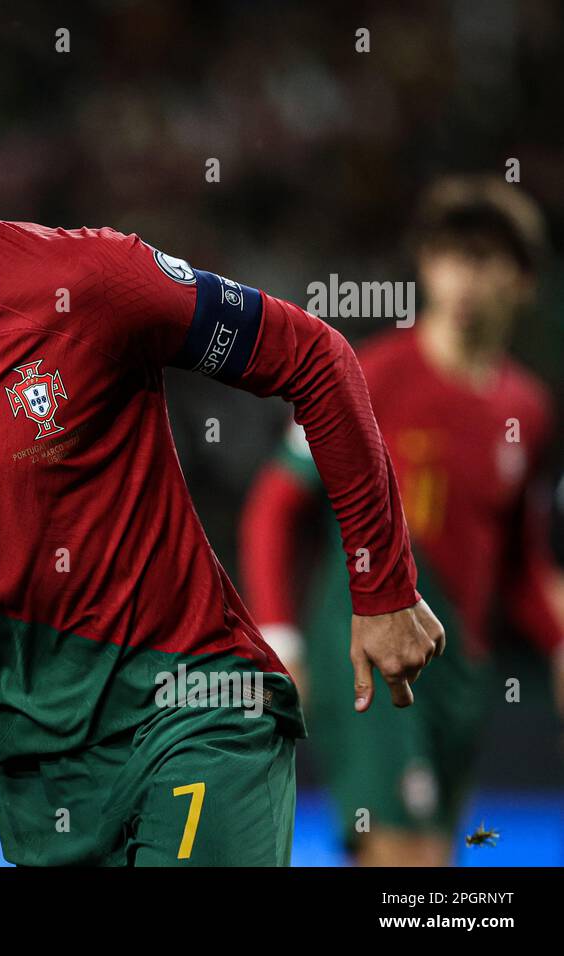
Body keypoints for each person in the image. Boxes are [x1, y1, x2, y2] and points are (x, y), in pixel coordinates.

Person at [0, 28, 443, 866]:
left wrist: (383, 587)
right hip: (36, 778)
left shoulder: (87, 284)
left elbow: (316, 360)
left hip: (198, 707)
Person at [240, 175, 564, 866]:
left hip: (461, 670)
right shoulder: (368, 376)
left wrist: (560, 637)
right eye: (450, 254)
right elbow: (275, 504)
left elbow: (519, 562)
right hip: (368, 649)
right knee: (407, 860)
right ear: (425, 266)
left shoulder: (527, 410)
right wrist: (280, 639)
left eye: (486, 257)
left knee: (433, 859)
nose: (464, 276)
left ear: (525, 280)